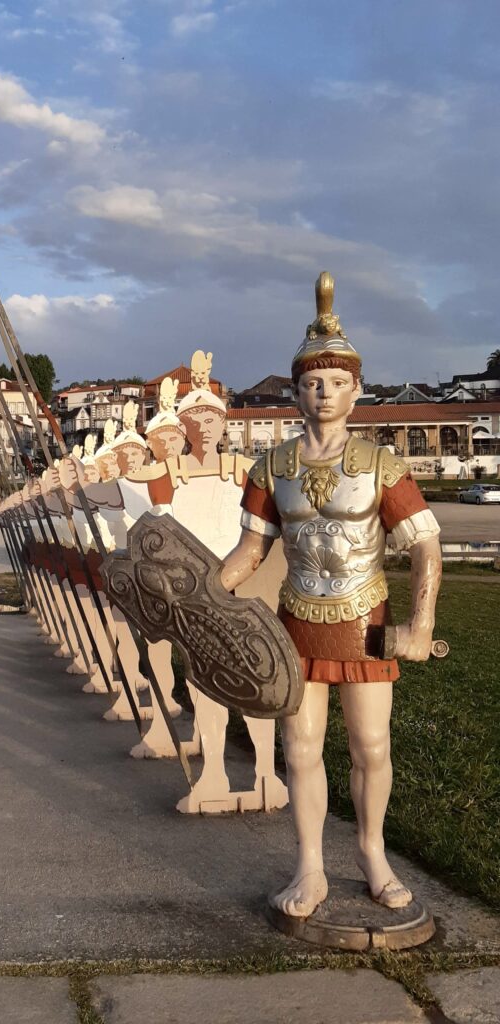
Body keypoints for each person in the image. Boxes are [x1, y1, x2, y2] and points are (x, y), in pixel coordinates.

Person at [222, 272, 442, 916]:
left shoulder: (382, 465)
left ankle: (373, 853)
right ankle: (310, 867)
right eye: (312, 383)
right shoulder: (271, 468)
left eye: (337, 383)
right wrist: (200, 592)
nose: (324, 393)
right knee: (301, 749)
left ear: (356, 391)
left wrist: (422, 621)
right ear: (295, 391)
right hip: (297, 621)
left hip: (365, 619)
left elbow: (425, 544)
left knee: (372, 747)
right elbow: (248, 552)